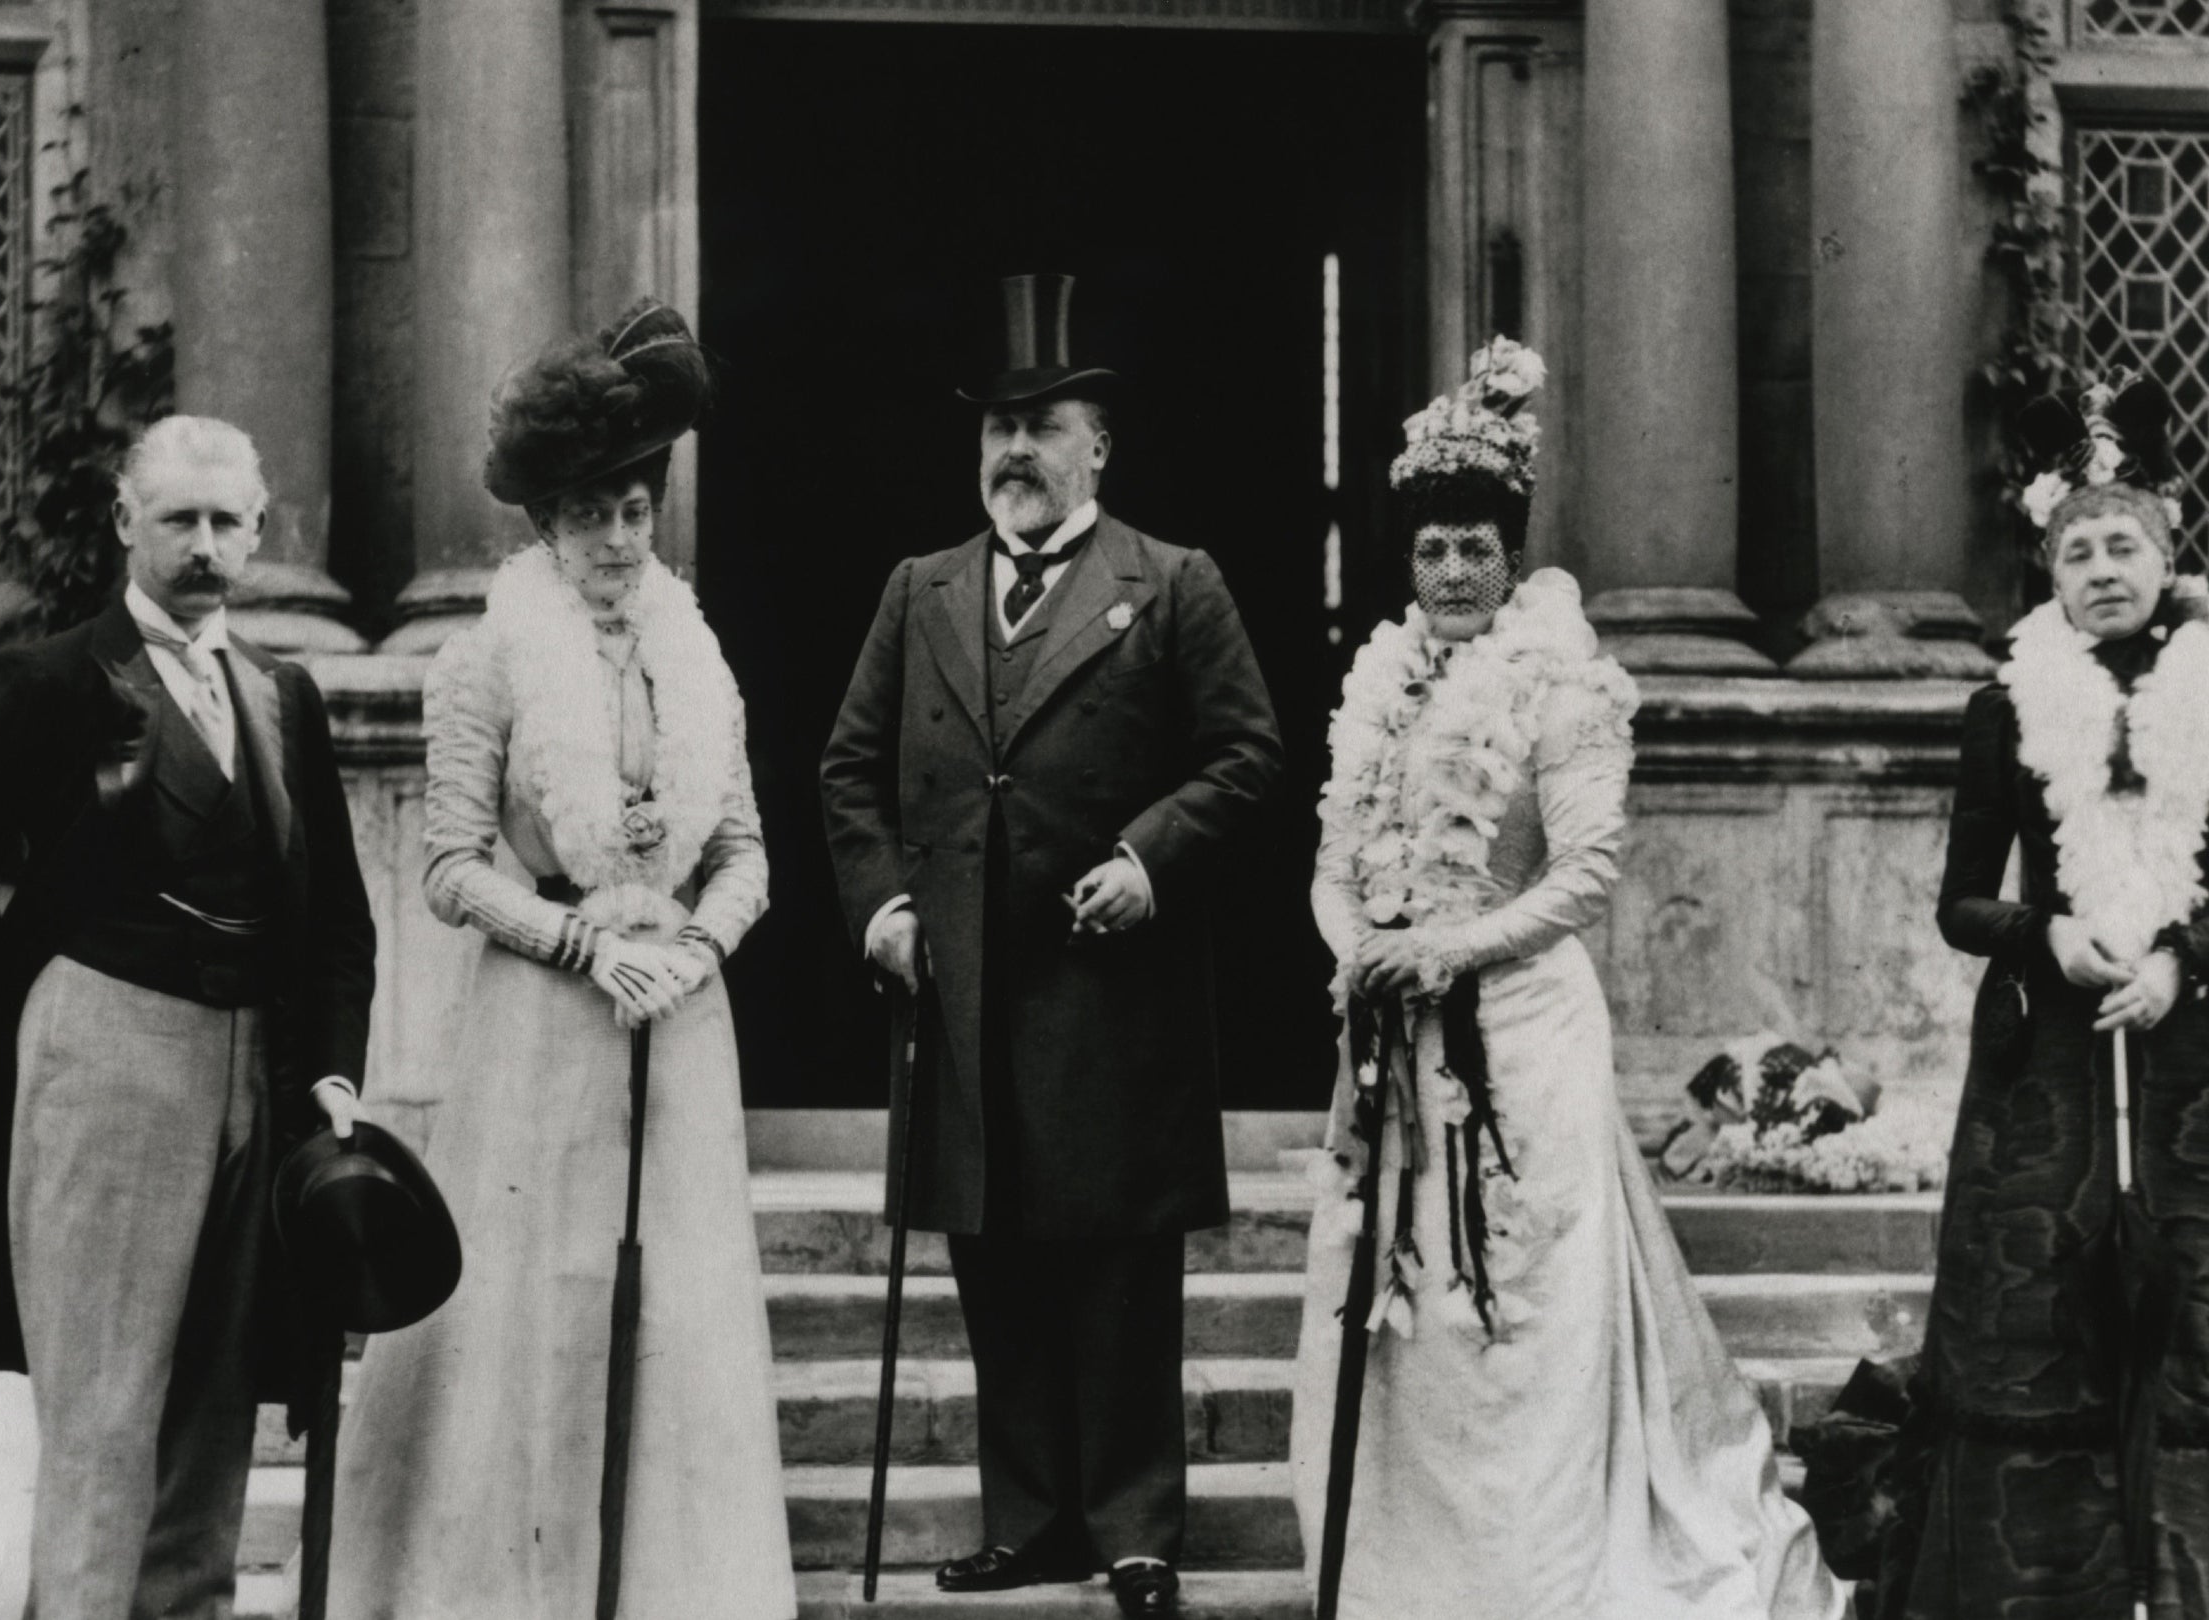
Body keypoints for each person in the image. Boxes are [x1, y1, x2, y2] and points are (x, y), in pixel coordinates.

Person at [1288, 339, 1844, 1620]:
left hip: (1521, 1036)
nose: (1453, 574)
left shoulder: (1565, 684)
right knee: (1396, 1296)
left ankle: (1523, 1581)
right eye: (1431, 551)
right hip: (1393, 1039)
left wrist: (1449, 950)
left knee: (1513, 1304)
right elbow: (1333, 858)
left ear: (1512, 553)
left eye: (1476, 548)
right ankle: (1403, 1576)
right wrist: (1357, 952)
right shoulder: (1379, 686)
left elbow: (1587, 874)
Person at [818, 273, 1283, 1619]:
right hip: (961, 990)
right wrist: (882, 910)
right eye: (994, 432)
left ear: (1099, 448)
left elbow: (1248, 755)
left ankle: (1137, 1529)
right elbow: (850, 773)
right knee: (997, 1255)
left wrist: (1152, 857)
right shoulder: (922, 589)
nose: (1013, 453)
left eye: (1043, 426)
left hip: (1111, 992)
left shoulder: (1174, 584)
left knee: (1120, 1265)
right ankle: (1030, 1524)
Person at [322, 300, 795, 1619]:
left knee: (672, 1319)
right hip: (540, 1029)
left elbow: (747, 848)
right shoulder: (486, 661)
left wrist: (698, 943)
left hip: (682, 1026)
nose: (616, 539)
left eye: (636, 510)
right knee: (535, 1315)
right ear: (543, 522)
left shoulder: (698, 657)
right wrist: (583, 941)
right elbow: (453, 867)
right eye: (589, 513)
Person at [1808, 379, 2209, 1619]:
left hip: (2199, 1057)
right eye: (2076, 549)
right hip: (2052, 1059)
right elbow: (1961, 903)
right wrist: (2051, 934)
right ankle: (2048, 1584)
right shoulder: (2009, 708)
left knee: (2190, 1317)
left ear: (2167, 550)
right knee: (2039, 1315)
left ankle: (2186, 1583)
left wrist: (2183, 959)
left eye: (2122, 544)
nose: (2100, 569)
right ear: (2049, 567)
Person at [0, 415, 379, 1620]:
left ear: (260, 531)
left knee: (216, 1412)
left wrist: (328, 1078)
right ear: (125, 525)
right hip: (107, 1063)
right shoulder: (48, 682)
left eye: (226, 522)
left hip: (259, 1073)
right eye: (178, 521)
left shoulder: (281, 696)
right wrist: (41, 1017)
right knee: (103, 1413)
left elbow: (337, 925)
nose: (204, 546)